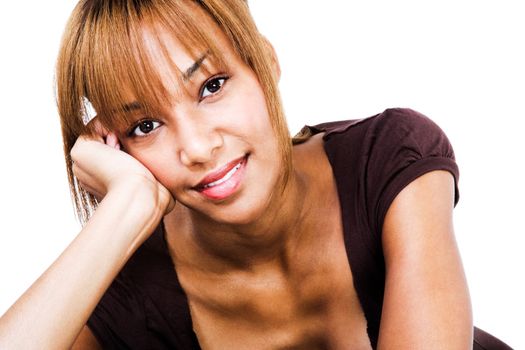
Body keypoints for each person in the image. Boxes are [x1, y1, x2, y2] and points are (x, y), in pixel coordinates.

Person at [0, 0, 512, 349]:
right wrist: (124, 209)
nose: (198, 148)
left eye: (212, 85)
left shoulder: (387, 162)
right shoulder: (134, 291)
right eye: (146, 125)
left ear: (264, 62)